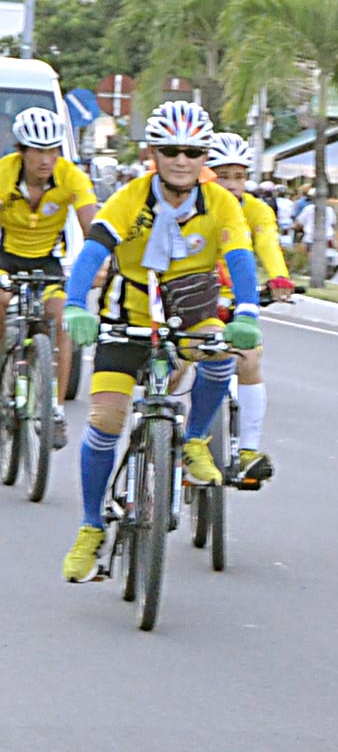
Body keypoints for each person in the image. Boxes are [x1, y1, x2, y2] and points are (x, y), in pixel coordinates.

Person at [58, 101, 263, 582]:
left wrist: (248, 312)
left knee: (222, 356)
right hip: (127, 317)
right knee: (106, 419)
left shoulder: (222, 204)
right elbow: (91, 254)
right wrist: (74, 306)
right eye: (171, 150)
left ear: (204, 157)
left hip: (191, 313)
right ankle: (91, 527)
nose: (182, 160)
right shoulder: (130, 198)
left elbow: (240, 260)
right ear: (154, 152)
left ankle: (193, 442)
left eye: (193, 151)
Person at [0, 106, 99, 439]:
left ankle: (54, 410)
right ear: (22, 151)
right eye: (38, 151)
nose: (46, 159)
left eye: (53, 150)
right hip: (6, 256)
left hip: (46, 259)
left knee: (63, 317)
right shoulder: (4, 173)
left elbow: (92, 227)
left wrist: (98, 264)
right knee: (0, 300)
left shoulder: (70, 176)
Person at [206, 132, 294, 485]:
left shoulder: (256, 210)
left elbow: (268, 244)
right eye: (222, 176)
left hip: (235, 300)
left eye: (239, 176)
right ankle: (166, 436)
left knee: (249, 358)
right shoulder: (193, 205)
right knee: (178, 366)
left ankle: (247, 451)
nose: (231, 184)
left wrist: (280, 278)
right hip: (193, 300)